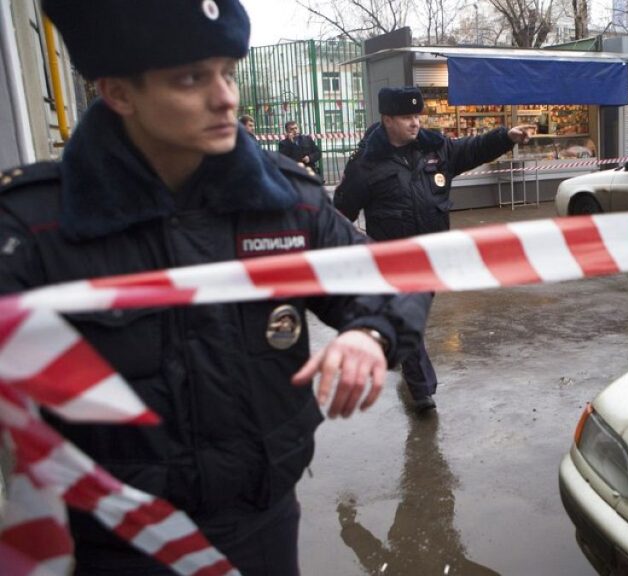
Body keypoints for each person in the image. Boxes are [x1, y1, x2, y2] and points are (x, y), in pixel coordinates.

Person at [0, 1, 429, 574]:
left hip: (262, 521)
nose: (226, 96)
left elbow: (392, 276)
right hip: (115, 543)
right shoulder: (36, 229)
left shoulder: (283, 202)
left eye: (227, 71)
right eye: (190, 78)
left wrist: (372, 335)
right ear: (119, 92)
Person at [334, 86, 531, 414]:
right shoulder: (366, 165)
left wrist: (505, 136)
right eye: (407, 117)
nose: (415, 123)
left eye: (417, 116)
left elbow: (472, 148)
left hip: (432, 259)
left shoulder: (435, 149)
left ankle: (396, 349)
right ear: (387, 120)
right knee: (407, 319)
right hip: (394, 263)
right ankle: (421, 389)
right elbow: (341, 213)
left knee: (414, 316)